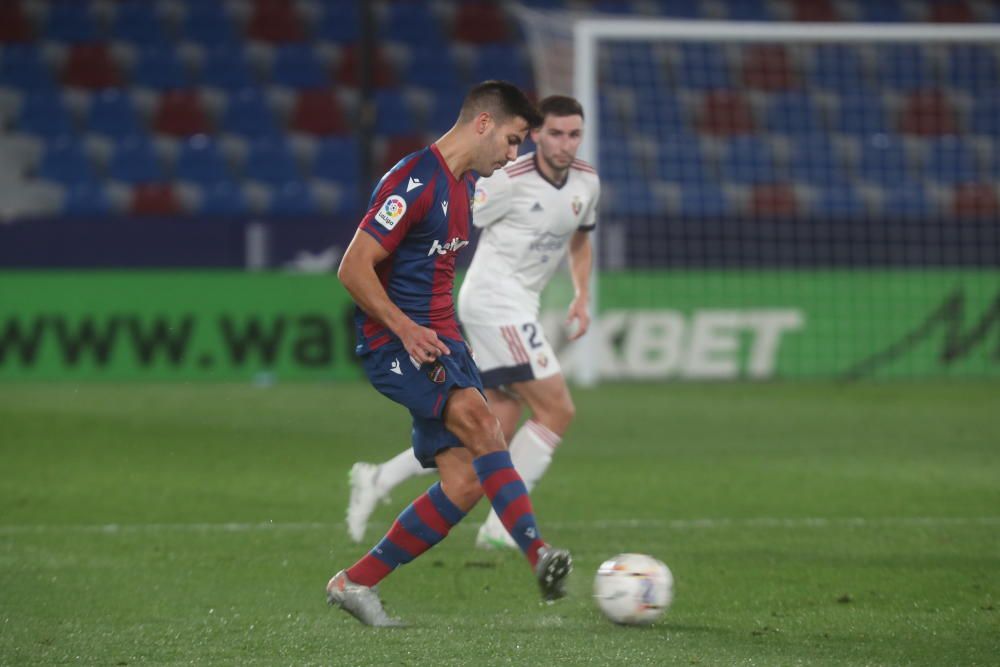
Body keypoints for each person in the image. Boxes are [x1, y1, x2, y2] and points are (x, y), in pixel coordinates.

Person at [328, 81, 572, 627]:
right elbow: (353, 267)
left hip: (444, 342)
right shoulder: (413, 181)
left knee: (463, 482)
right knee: (485, 426)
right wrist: (406, 328)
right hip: (397, 342)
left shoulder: (463, 187)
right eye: (511, 141)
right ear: (483, 124)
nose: (513, 155)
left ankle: (354, 582)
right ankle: (540, 555)